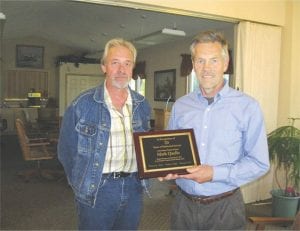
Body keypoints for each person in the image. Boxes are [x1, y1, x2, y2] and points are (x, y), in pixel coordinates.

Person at [159, 31, 270, 230]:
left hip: (225, 208)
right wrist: (166, 169)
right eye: (200, 61)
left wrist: (214, 173)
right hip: (182, 206)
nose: (206, 68)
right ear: (193, 65)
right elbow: (172, 152)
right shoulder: (181, 106)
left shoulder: (248, 107)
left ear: (225, 64)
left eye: (214, 60)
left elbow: (259, 163)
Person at [58, 38, 151, 230]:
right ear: (104, 67)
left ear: (133, 68)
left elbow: (146, 146)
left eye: (127, 63)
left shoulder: (142, 104)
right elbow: (66, 151)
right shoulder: (81, 105)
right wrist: (80, 183)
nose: (121, 70)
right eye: (115, 63)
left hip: (134, 187)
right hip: (98, 188)